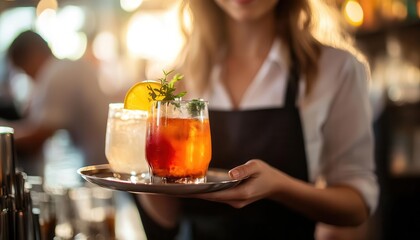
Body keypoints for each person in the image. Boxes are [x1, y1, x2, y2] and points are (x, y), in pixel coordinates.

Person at [135, 0, 379, 239]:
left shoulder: (335, 69)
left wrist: (281, 187)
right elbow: (167, 219)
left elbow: (357, 204)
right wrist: (140, 164)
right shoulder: (178, 80)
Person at [0, 30, 110, 176]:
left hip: (101, 167)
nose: (27, 76)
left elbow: (37, 138)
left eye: (23, 69)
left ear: (34, 55)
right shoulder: (65, 67)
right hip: (102, 162)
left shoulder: (55, 73)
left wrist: (4, 134)